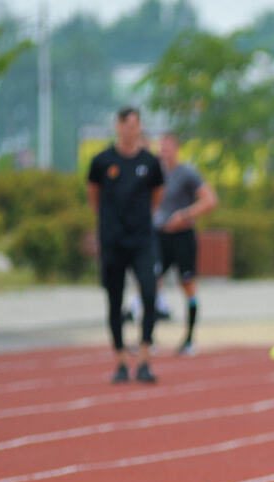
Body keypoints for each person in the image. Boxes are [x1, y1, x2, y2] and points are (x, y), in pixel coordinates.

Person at [87, 106, 165, 383]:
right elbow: (93, 195)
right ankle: (120, 360)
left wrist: (142, 220)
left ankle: (144, 358)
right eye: (124, 125)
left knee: (148, 294)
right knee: (114, 299)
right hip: (113, 241)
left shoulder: (151, 162)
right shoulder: (101, 161)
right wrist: (106, 225)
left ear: (139, 127)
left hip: (142, 240)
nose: (129, 130)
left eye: (134, 125)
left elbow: (157, 195)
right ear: (117, 127)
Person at [152, 131, 219, 355]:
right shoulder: (155, 173)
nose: (164, 151)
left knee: (187, 284)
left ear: (177, 148)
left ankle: (189, 338)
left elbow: (210, 200)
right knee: (151, 280)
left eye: (168, 147)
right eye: (161, 147)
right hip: (159, 235)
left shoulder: (187, 174)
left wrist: (185, 215)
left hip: (182, 236)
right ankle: (148, 336)